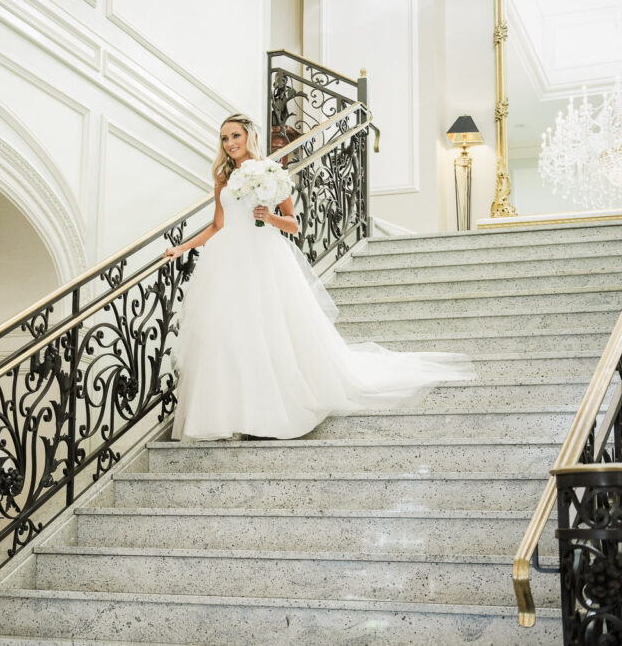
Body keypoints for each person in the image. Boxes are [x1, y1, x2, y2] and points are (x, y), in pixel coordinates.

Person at [163, 113, 474, 441]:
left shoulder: (271, 173)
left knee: (265, 330)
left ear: (249, 136)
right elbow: (217, 226)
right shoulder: (223, 179)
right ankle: (229, 415)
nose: (230, 144)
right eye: (225, 138)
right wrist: (181, 248)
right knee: (226, 333)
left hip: (262, 257)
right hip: (227, 259)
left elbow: (293, 224)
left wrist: (269, 216)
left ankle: (267, 413)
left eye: (235, 136)